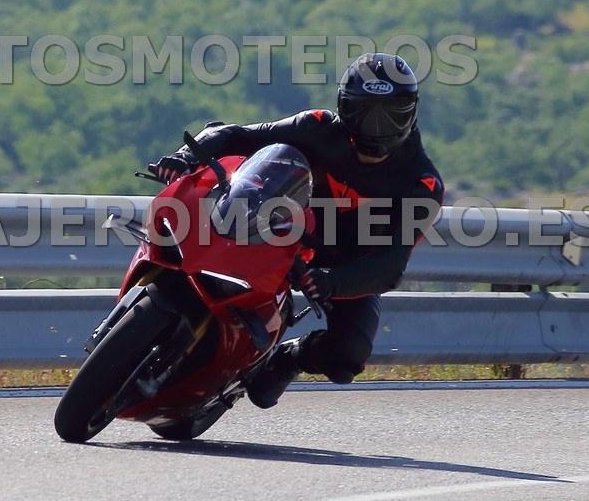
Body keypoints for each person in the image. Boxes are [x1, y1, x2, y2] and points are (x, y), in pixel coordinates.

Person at [151, 52, 444, 408]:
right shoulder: (317, 126)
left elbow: (391, 265)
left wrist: (334, 282)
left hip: (345, 265)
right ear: (344, 107)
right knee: (208, 238)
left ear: (410, 114)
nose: (375, 127)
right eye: (364, 113)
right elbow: (236, 134)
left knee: (348, 356)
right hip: (278, 230)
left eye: (390, 116)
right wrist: (184, 157)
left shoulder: (422, 184)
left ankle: (291, 357)